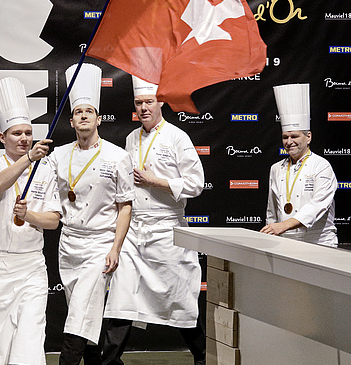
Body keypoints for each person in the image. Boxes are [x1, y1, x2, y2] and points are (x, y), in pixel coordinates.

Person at [101, 76, 206, 365]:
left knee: (182, 299)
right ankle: (109, 360)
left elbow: (196, 183)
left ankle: (204, 356)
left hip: (167, 231)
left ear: (160, 102)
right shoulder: (131, 138)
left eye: (149, 102)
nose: (144, 108)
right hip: (135, 231)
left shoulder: (177, 137)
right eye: (139, 103)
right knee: (122, 297)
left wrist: (155, 181)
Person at [46, 63, 135, 365]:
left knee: (79, 318)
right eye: (78, 112)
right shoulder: (58, 155)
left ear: (98, 118)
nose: (83, 116)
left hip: (100, 244)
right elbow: (38, 193)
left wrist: (115, 248)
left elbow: (125, 206)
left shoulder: (118, 156)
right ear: (71, 121)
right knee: (84, 316)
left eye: (89, 112)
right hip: (68, 244)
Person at [0, 77, 61, 365]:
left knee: (30, 342)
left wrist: (29, 215)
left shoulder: (46, 171)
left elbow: (53, 221)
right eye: (16, 134)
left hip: (31, 267)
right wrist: (27, 160)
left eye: (28, 133)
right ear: (2, 138)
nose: (24, 138)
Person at [260, 83, 338, 246]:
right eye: (285, 137)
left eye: (294, 136)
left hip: (319, 242)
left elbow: (318, 205)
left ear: (308, 137)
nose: (289, 142)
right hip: (284, 243)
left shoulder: (321, 166)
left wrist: (283, 226)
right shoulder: (276, 168)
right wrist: (270, 233)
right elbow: (272, 210)